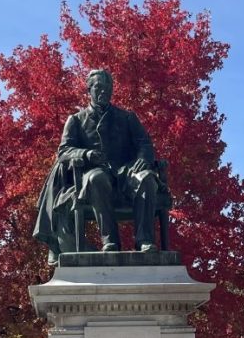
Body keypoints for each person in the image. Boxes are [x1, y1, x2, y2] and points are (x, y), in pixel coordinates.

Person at [33, 69, 159, 262]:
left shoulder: (127, 118)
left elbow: (144, 143)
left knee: (147, 179)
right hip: (95, 171)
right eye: (99, 87)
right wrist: (86, 154)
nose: (104, 91)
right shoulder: (76, 120)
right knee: (96, 178)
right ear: (89, 90)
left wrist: (143, 157)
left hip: (125, 172)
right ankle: (110, 241)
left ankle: (144, 240)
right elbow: (64, 151)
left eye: (108, 87)